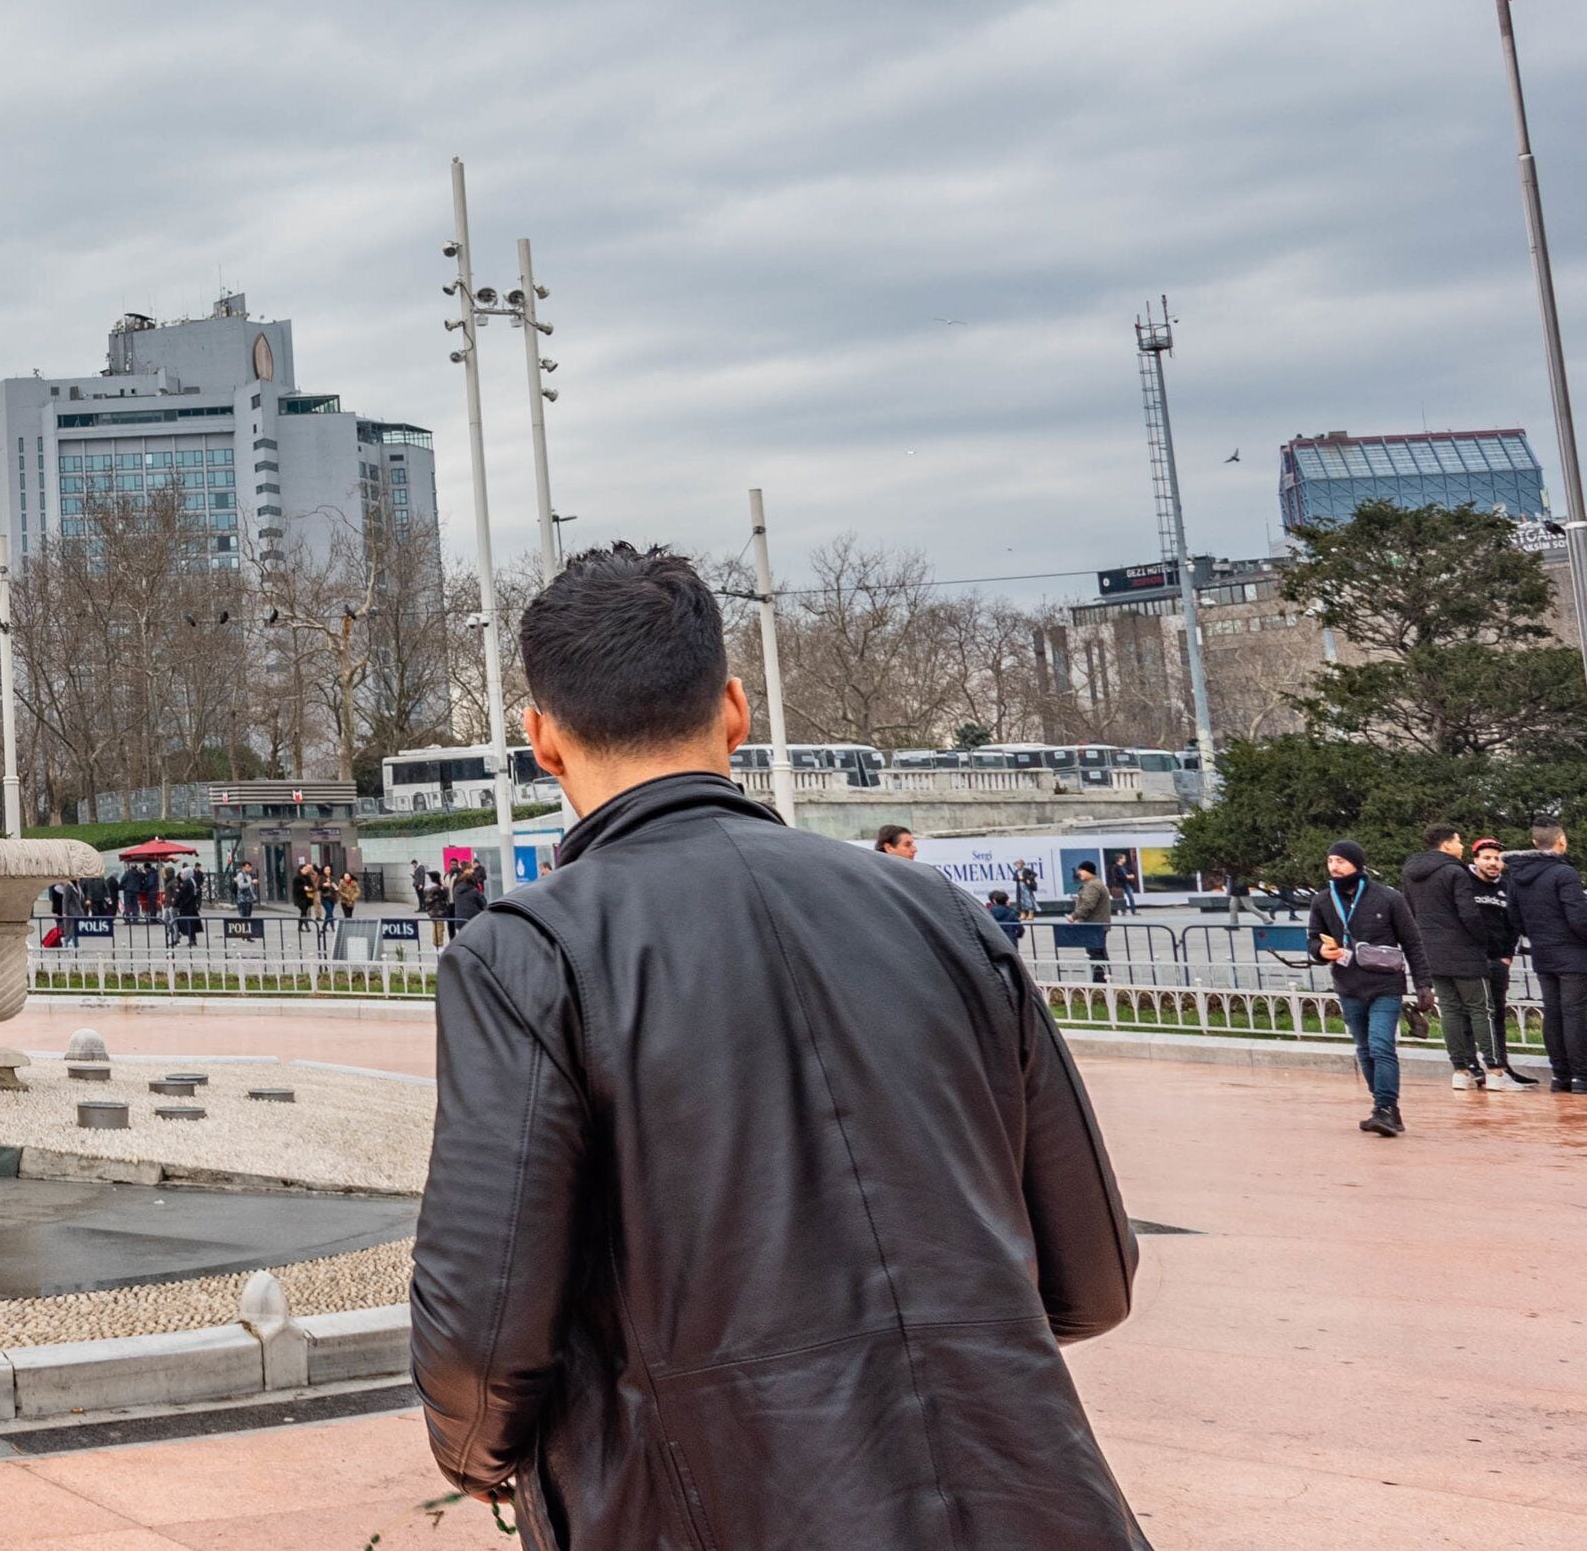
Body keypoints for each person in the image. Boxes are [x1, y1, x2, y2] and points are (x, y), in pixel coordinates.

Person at [412, 544, 1138, 1545]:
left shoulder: (526, 954)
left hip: (707, 1505)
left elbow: (484, 1330)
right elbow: (1091, 1279)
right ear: (734, 710)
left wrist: (477, 1455)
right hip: (1026, 1505)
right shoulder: (942, 915)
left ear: (542, 740)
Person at [1313, 840, 1418, 1133]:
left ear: (1357, 864)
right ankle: (1384, 1107)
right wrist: (1320, 951)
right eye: (1330, 861)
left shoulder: (1388, 897)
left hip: (1385, 984)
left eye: (1341, 861)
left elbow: (1412, 942)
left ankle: (1385, 1108)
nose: (1334, 867)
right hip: (1348, 986)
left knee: (1381, 1045)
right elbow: (1312, 938)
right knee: (1365, 1048)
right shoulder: (1323, 900)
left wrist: (1423, 985)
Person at [1399, 826, 1501, 1093]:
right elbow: (1468, 913)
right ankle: (1495, 1070)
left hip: (1431, 952)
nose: (1462, 846)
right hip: (1464, 952)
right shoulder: (1455, 872)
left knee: (1450, 1009)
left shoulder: (1411, 873)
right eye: (1458, 841)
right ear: (1446, 845)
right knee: (1481, 1009)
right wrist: (1483, 940)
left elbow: (1409, 911)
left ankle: (1460, 1070)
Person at [1509, 822, 1587, 1091]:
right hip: (1573, 955)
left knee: (1553, 1013)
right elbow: (1579, 918)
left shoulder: (1518, 875)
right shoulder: (1564, 873)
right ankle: (1581, 1076)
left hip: (1542, 953)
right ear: (1561, 841)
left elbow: (1514, 918)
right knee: (1575, 1013)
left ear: (1534, 843)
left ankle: (1560, 1075)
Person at [1467, 838, 1537, 1087]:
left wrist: (1507, 955)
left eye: (1497, 859)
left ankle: (1502, 1066)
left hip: (1498, 960)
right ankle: (1471, 1065)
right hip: (1471, 960)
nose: (1493, 863)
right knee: (1470, 1014)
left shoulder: (1506, 888)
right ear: (1476, 860)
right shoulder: (1465, 884)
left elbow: (1515, 923)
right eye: (1487, 858)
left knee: (1496, 1013)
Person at [1068, 862, 1116, 980]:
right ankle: (1104, 979)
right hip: (1097, 924)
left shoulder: (1092, 886)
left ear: (1089, 871)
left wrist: (1073, 916)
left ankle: (1100, 981)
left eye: (1081, 870)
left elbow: (1088, 905)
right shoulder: (1096, 883)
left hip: (1094, 925)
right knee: (1099, 953)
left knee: (1095, 954)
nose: (1079, 873)